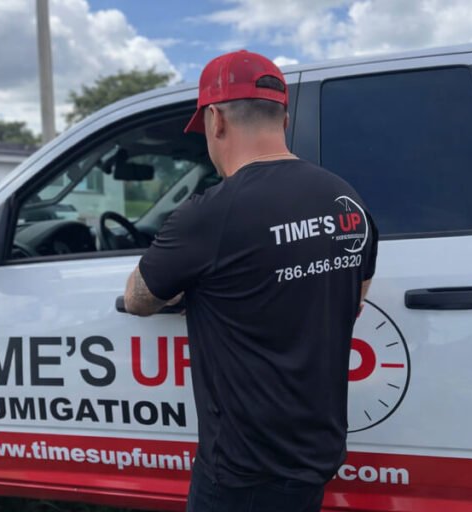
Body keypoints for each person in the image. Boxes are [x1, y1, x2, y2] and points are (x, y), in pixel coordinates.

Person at [124, 50, 378, 512]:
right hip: (316, 453)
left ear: (216, 120)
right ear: (283, 118)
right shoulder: (346, 199)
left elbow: (139, 299)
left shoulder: (211, 213)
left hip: (243, 470)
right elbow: (355, 294)